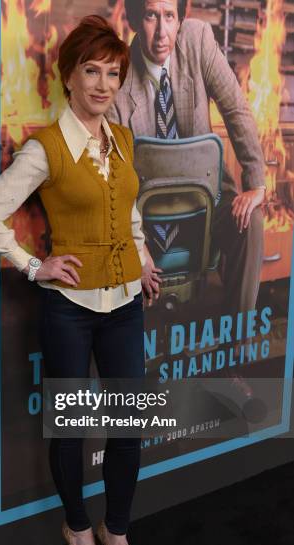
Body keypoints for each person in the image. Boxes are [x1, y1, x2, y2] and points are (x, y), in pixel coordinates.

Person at [0, 15, 162, 545]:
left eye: (113, 72)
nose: (103, 84)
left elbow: (129, 209)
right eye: (91, 71)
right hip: (69, 309)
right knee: (73, 430)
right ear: (69, 77)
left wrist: (145, 258)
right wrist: (35, 265)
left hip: (126, 301)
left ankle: (118, 532)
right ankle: (78, 529)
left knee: (128, 428)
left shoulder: (124, 139)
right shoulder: (47, 147)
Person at [107, 0, 266, 316]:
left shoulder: (198, 40)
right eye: (152, 16)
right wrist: (136, 247)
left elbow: (235, 108)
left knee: (252, 223)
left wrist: (255, 182)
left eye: (170, 16)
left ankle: (236, 349)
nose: (162, 33)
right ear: (137, 18)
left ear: (181, 19)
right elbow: (114, 178)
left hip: (210, 198)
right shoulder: (117, 78)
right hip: (147, 215)